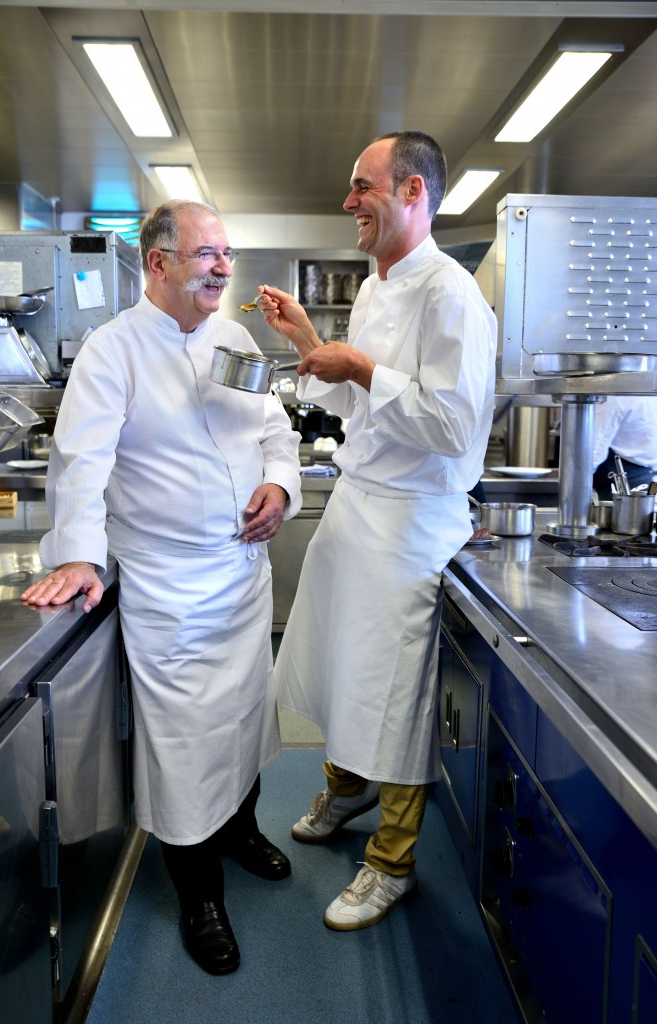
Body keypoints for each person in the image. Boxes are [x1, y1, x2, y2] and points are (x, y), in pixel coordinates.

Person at [20, 199, 303, 976]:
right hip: (170, 587)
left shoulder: (237, 338)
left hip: (242, 577)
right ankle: (198, 891)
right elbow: (81, 460)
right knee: (183, 746)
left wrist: (280, 486)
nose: (222, 266)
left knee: (245, 720)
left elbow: (275, 428)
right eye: (206, 253)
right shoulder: (113, 352)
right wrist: (78, 553)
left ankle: (240, 831)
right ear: (159, 263)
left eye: (227, 253)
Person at [257, 131, 497, 931]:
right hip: (360, 502)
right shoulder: (371, 287)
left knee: (392, 693)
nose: (348, 201)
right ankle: (349, 786)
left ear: (413, 193)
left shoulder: (451, 295)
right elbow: (365, 409)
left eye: (363, 186)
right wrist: (307, 344)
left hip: (410, 525)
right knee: (333, 661)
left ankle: (391, 862)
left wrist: (357, 367)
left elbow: (456, 427)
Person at [592, 394, 657, 499]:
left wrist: (575, 485)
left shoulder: (615, 398)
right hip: (648, 476)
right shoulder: (648, 390)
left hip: (626, 484)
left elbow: (593, 453)